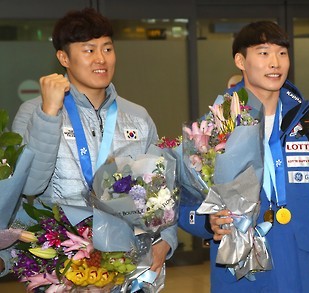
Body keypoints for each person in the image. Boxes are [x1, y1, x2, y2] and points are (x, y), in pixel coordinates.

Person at [178, 21, 309, 292]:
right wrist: (207, 221)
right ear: (240, 60)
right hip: (244, 276)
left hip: (306, 273)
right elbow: (183, 202)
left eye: (282, 53)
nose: (275, 62)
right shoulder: (214, 127)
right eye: (263, 53)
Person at [0, 8, 177, 278]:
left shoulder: (137, 117)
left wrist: (167, 239)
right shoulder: (34, 112)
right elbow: (31, 185)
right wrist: (49, 115)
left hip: (127, 260)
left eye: (107, 48)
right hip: (64, 263)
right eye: (88, 50)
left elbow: (162, 189)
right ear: (64, 57)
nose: (101, 59)